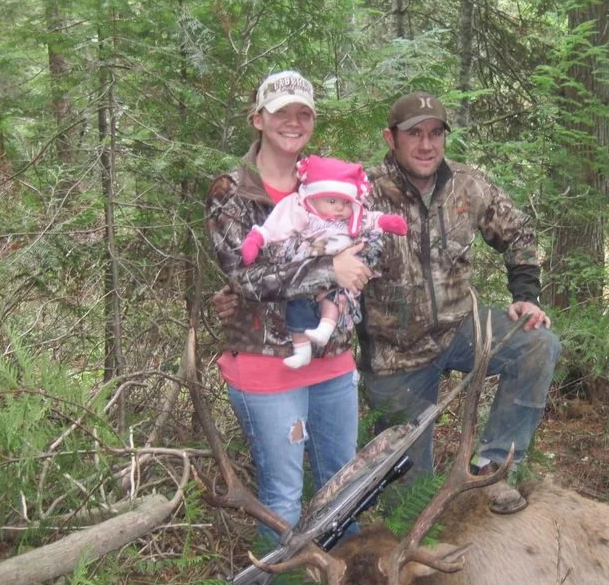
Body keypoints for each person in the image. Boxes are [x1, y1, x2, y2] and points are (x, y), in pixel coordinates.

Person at [359, 91, 561, 514]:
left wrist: (525, 296)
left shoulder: (468, 185)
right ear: (390, 138)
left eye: (436, 133)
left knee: (537, 344)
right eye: (415, 134)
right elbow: (318, 245)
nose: (427, 145)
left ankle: (492, 468)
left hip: (458, 329)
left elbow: (519, 233)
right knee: (409, 506)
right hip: (395, 358)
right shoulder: (363, 192)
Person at [204, 70, 375, 545]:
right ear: (258, 119)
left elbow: (367, 248)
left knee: (344, 493)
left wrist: (349, 263)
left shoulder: (328, 182)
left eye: (304, 113)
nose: (293, 122)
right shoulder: (231, 190)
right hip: (266, 367)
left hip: (333, 362)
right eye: (281, 113)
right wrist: (329, 271)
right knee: (282, 499)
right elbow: (245, 274)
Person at [240, 155, 407, 368]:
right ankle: (302, 350)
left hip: (338, 281)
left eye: (345, 203)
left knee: (335, 297)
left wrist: (387, 222)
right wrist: (256, 240)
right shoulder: (302, 213)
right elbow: (275, 228)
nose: (339, 208)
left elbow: (371, 219)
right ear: (313, 197)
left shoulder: (349, 220)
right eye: (332, 201)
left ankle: (325, 328)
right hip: (302, 277)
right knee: (296, 307)